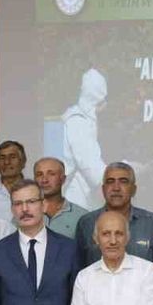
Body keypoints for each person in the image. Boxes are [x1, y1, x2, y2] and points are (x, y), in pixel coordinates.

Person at [74, 162, 153, 268]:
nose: (116, 188)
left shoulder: (151, 222)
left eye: (123, 181)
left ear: (133, 189)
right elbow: (78, 266)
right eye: (110, 182)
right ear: (103, 189)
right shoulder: (86, 223)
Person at [62, 68, 108, 210]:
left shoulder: (82, 120)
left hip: (83, 199)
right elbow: (92, 168)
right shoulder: (78, 122)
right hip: (77, 200)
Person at [37, 157, 86, 239]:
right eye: (39, 174)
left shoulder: (81, 216)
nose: (44, 180)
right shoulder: (25, 213)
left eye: (51, 174)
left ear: (63, 179)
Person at [0, 140, 26, 223]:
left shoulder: (34, 189)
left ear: (23, 162)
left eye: (12, 157)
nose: (7, 162)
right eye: (2, 158)